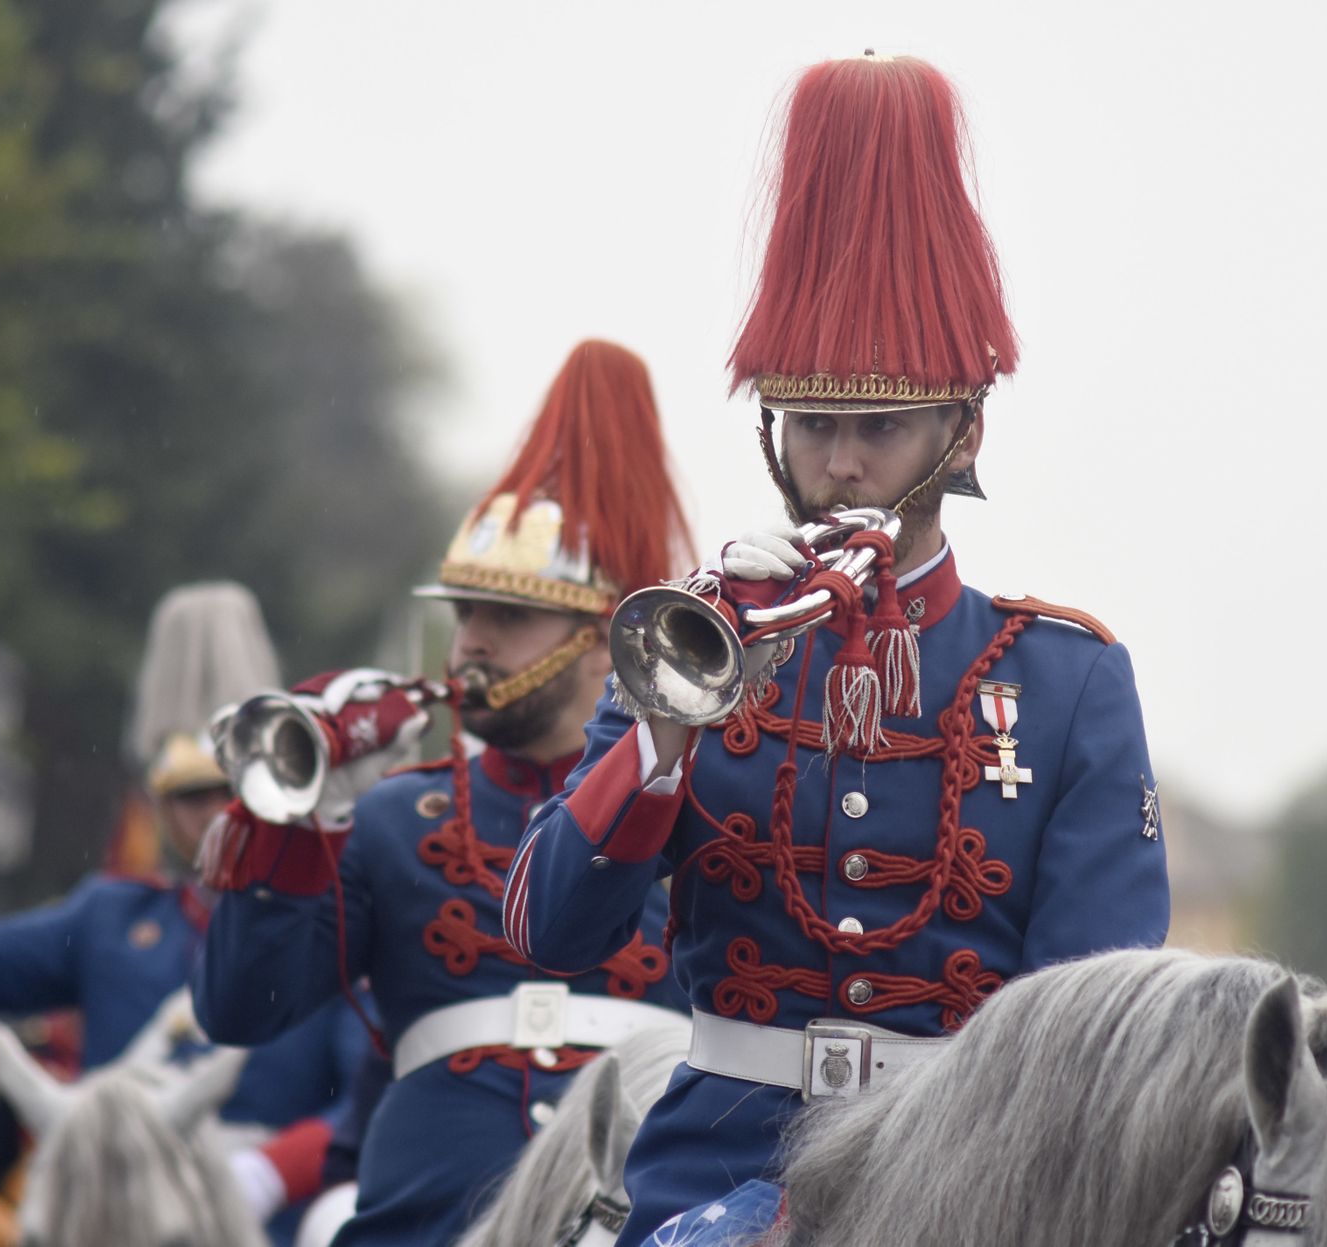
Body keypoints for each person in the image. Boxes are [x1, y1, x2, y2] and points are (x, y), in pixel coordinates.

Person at [501, 54, 1172, 1244]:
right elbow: (548, 929)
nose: (843, 463)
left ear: (962, 433)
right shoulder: (694, 636)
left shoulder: (1066, 677)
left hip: (974, 1180)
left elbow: (1094, 1027)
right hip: (712, 1165)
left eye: (880, 428)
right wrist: (666, 731)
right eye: (812, 425)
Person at [193, 339, 696, 1246]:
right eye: (464, 613)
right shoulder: (392, 814)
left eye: (508, 616)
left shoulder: (697, 815)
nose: (470, 642)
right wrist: (307, 820)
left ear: (598, 639)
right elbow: (241, 1007)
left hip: (640, 1210)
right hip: (425, 1217)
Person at [0, 583, 365, 1246]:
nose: (214, 813)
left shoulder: (334, 923)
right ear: (159, 806)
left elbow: (369, 1097)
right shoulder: (109, 916)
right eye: (189, 796)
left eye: (227, 789)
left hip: (276, 1218)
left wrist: (266, 1173)